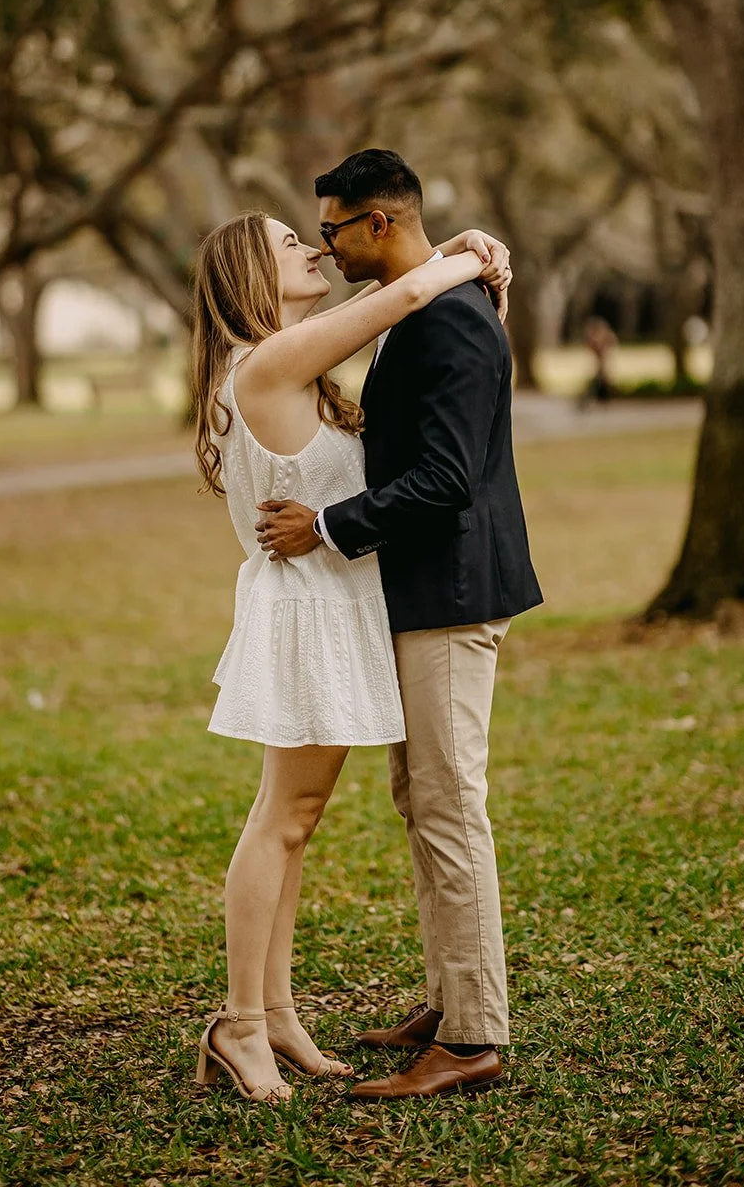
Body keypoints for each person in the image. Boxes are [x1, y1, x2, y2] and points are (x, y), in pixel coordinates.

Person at [190, 207, 511, 1104]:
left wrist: (448, 254)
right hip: (306, 617)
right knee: (281, 821)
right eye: (291, 241)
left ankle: (276, 1014)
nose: (313, 248)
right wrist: (467, 251)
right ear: (251, 272)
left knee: (294, 822)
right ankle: (240, 1025)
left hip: (326, 607)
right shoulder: (266, 361)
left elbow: (400, 291)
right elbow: (404, 291)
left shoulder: (285, 361)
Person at [256, 149, 543, 1102]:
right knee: (420, 799)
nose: (326, 246)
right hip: (421, 594)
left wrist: (325, 527)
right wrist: (463, 250)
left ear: (380, 223)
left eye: (333, 228)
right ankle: (447, 997)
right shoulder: (426, 304)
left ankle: (472, 1039)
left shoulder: (450, 324)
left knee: (452, 805)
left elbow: (448, 478)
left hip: (453, 596)